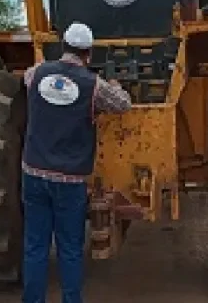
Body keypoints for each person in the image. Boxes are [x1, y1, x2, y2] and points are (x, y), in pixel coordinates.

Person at [21, 22, 133, 303]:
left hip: (33, 175)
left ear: (63, 46)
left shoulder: (35, 74)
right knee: (69, 248)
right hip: (69, 182)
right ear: (89, 53)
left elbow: (29, 81)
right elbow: (123, 105)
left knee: (35, 246)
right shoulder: (94, 85)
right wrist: (118, 85)